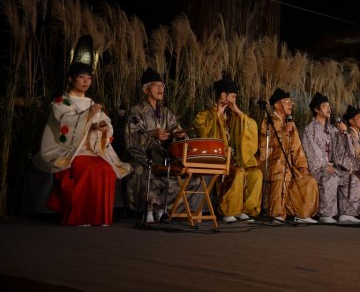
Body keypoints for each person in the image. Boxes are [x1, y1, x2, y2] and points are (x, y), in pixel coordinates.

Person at [33, 35, 132, 226]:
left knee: (107, 170)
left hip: (92, 149)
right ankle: (80, 216)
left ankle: (100, 217)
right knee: (88, 169)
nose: (86, 82)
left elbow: (106, 124)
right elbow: (66, 125)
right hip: (74, 150)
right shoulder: (62, 101)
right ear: (71, 79)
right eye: (81, 77)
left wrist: (103, 128)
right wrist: (88, 117)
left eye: (89, 78)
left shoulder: (91, 103)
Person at [125, 67, 202, 224]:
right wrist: (152, 134)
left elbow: (178, 132)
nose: (160, 89)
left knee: (193, 180)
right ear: (146, 89)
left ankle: (165, 209)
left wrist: (179, 136)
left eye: (162, 86)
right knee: (144, 174)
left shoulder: (167, 113)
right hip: (143, 159)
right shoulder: (136, 111)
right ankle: (149, 209)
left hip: (163, 160)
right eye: (156, 85)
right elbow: (130, 139)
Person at [194, 75, 262, 223]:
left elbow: (252, 127)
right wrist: (217, 114)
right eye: (233, 96)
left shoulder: (234, 117)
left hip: (234, 159)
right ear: (223, 95)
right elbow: (202, 133)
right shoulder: (205, 114)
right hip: (215, 159)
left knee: (255, 173)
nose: (235, 99)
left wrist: (238, 112)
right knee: (237, 173)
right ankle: (228, 210)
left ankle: (243, 209)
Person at [257, 87, 319, 223]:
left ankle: (302, 214)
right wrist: (283, 132)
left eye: (291, 103)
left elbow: (297, 148)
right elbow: (264, 146)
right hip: (273, 163)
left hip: (289, 166)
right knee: (282, 171)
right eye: (287, 102)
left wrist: (302, 166)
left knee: (309, 180)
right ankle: (277, 213)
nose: (290, 105)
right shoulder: (268, 122)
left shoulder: (290, 123)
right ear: (277, 105)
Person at [301, 92, 360, 224]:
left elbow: (341, 150)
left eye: (329, 105)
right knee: (331, 177)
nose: (329, 108)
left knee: (352, 179)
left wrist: (343, 133)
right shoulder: (310, 129)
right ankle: (326, 213)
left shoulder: (332, 129)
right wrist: (324, 165)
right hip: (318, 169)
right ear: (317, 109)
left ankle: (347, 213)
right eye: (324, 106)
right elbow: (311, 151)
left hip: (332, 167)